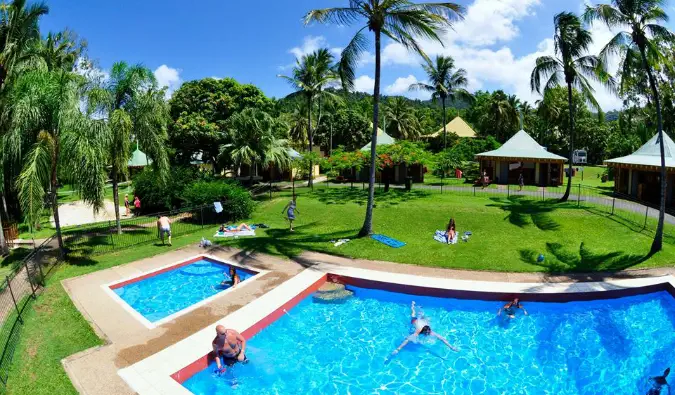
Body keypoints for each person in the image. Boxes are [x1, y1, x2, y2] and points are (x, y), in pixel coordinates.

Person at [392, 301, 458, 355]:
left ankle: (419, 307)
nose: (428, 334)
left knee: (423, 315)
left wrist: (451, 347)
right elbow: (407, 340)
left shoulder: (431, 331)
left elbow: (442, 339)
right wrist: (397, 349)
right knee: (413, 313)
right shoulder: (417, 331)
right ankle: (412, 305)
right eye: (426, 333)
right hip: (415, 321)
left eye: (428, 332)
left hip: (423, 322)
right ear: (422, 331)